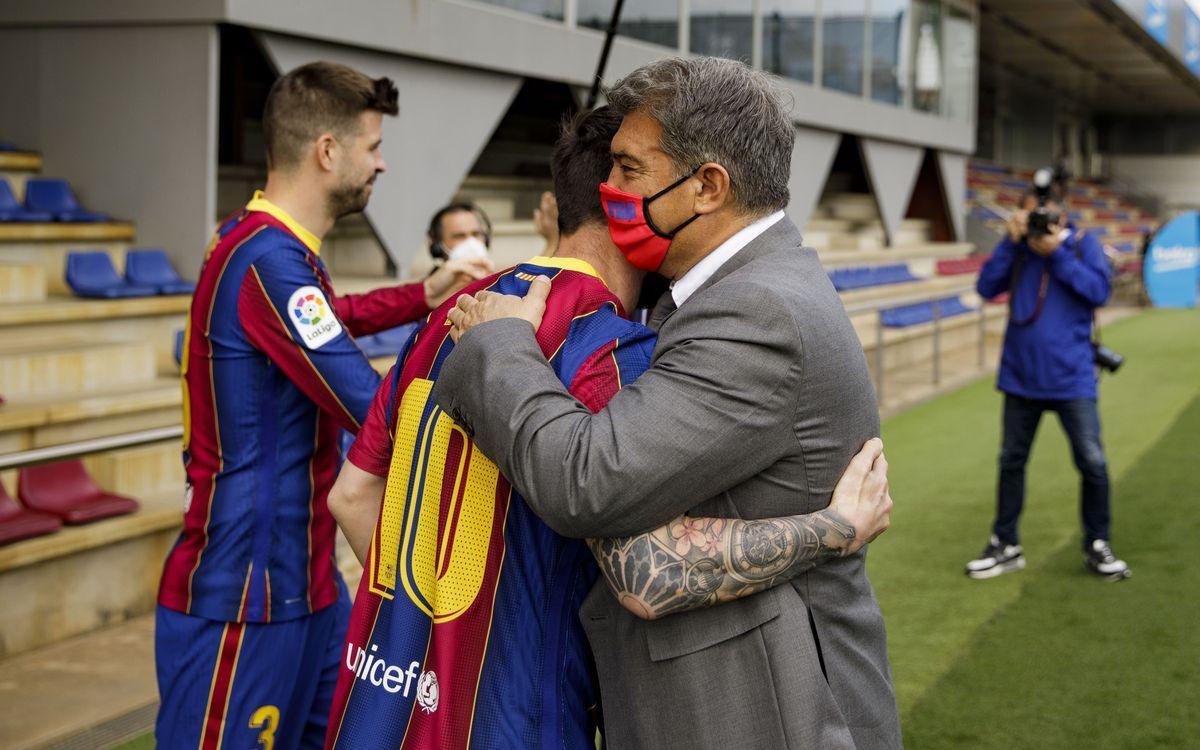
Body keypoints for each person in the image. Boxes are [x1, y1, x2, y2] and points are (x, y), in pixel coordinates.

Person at [322, 106, 894, 749]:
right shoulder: (615, 349)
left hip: (379, 698)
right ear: (624, 202)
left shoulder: (457, 316)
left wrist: (432, 626)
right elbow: (646, 571)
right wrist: (835, 529)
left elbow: (350, 495)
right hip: (511, 714)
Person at [154, 61, 492, 750]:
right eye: (372, 146)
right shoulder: (269, 262)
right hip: (246, 596)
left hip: (304, 587)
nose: (382, 163)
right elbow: (369, 406)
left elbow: (324, 319)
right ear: (328, 152)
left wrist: (420, 296)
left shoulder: (260, 244)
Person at [968, 186, 1129, 580]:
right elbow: (986, 288)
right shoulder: (1017, 250)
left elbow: (1098, 291)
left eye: (1046, 218)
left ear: (1063, 218)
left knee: (1092, 462)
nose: (1040, 225)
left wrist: (1055, 252)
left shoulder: (1081, 245)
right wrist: (1010, 243)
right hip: (1021, 376)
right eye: (1031, 217)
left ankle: (1097, 542)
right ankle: (1005, 543)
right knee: (1011, 462)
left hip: (1072, 377)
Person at [426, 202, 493, 263]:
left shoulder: (500, 275)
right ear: (437, 245)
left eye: (476, 234)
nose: (471, 243)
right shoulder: (435, 276)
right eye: (459, 236)